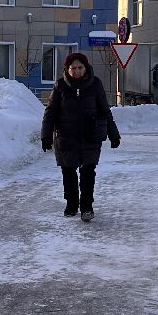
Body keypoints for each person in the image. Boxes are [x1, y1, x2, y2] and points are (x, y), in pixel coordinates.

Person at [40, 51, 120, 222]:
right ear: (67, 69)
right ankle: (71, 204)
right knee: (68, 172)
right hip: (65, 136)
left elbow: (105, 111)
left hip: (90, 135)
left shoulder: (95, 84)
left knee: (88, 172)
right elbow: (50, 112)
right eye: (73, 68)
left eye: (80, 67)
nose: (77, 71)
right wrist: (45, 136)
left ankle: (87, 207)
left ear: (86, 67)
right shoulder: (60, 85)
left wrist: (114, 134)